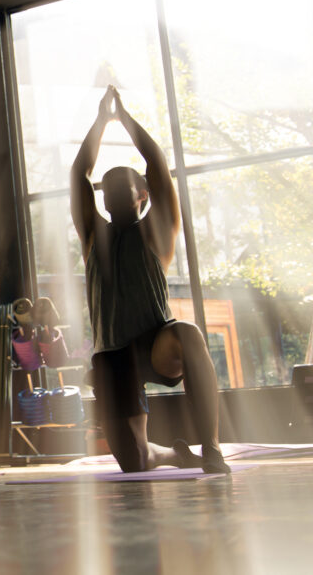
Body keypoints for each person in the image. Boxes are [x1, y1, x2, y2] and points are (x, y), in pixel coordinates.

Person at [71, 86, 228, 474]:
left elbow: (157, 166)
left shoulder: (156, 232)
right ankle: (176, 454)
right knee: (135, 462)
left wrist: (124, 119)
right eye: (106, 189)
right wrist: (98, 122)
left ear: (141, 195)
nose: (111, 194)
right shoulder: (94, 236)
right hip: (114, 356)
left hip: (156, 344)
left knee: (189, 333)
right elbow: (79, 174)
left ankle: (211, 448)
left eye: (122, 186)